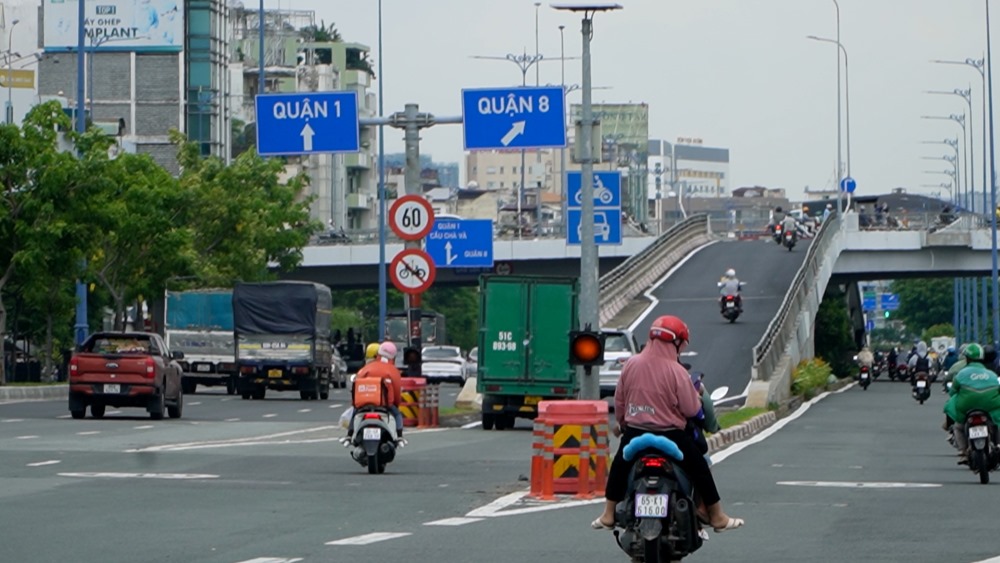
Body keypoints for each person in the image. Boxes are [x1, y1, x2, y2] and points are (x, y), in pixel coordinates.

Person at [591, 315, 743, 533]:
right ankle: (717, 516)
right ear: (676, 343)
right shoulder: (677, 371)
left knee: (619, 466)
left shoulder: (631, 365)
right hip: (672, 436)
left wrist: (624, 423)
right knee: (700, 467)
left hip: (635, 434)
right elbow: (691, 409)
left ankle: (607, 514)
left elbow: (620, 403)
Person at [943, 343, 1000, 464]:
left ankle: (964, 451)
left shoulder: (961, 373)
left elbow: (953, 391)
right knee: (997, 423)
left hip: (966, 406)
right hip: (990, 406)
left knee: (958, 427)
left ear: (967, 358)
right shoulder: (992, 375)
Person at [344, 342, 406, 446]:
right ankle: (399, 437)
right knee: (397, 414)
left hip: (364, 403)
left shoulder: (367, 368)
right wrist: (395, 404)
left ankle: (349, 435)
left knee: (355, 413)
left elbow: (357, 384)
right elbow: (396, 391)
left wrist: (355, 403)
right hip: (385, 404)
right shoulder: (393, 370)